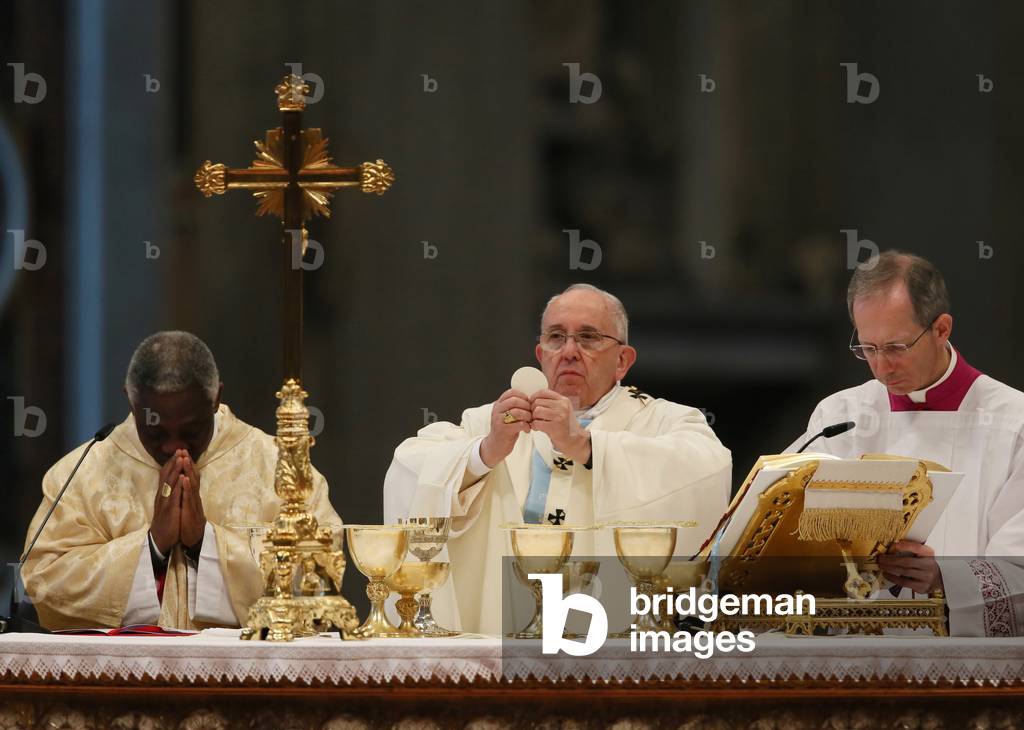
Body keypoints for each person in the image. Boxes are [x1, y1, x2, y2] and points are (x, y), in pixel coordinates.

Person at [384, 284, 732, 635]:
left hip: (611, 634)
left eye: (588, 337)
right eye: (556, 337)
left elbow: (706, 466)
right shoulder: (495, 423)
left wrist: (586, 445)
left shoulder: (662, 421)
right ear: (540, 354)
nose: (569, 352)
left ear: (622, 361)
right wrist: (486, 452)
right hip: (505, 628)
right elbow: (409, 464)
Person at [21, 331, 340, 630]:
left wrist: (204, 541)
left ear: (216, 398)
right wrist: (152, 546)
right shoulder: (82, 474)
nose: (174, 447)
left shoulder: (281, 468)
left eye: (191, 430)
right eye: (156, 431)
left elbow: (320, 579)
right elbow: (43, 582)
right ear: (131, 401)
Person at [788, 251, 1024, 636]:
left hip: (964, 663)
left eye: (897, 347)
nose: (882, 368)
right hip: (852, 657)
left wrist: (945, 578)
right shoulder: (838, 417)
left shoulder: (1014, 423)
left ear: (941, 329)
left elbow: (1019, 570)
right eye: (868, 349)